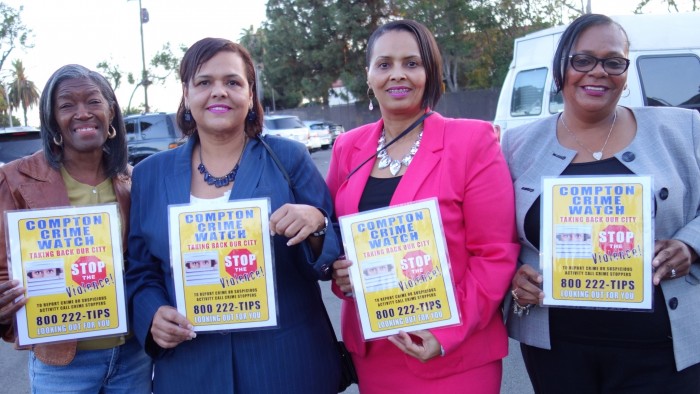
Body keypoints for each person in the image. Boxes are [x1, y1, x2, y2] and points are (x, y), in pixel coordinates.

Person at [125, 37, 342, 393]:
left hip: (285, 366)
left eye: (232, 82)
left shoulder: (289, 158)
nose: (219, 92)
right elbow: (140, 267)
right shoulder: (150, 174)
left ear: (250, 93)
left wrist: (315, 225)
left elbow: (329, 255)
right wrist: (152, 313)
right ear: (186, 93)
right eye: (204, 82)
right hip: (192, 370)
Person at [502, 13, 700, 393]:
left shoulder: (681, 128)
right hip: (558, 350)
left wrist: (689, 243)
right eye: (583, 60)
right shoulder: (517, 145)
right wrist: (514, 276)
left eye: (613, 62)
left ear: (626, 73)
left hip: (662, 348)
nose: (598, 72)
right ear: (562, 68)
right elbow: (494, 234)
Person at [326, 19, 520, 393]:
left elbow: (494, 254)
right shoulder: (347, 148)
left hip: (455, 353)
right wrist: (341, 275)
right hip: (376, 352)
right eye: (384, 64)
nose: (397, 75)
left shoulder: (471, 141)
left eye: (411, 63)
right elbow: (336, 238)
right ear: (368, 76)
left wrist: (447, 332)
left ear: (430, 72)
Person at [0, 64, 152, 393]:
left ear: (111, 111)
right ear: (53, 119)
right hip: (63, 364)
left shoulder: (133, 179)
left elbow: (148, 262)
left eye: (93, 102)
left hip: (133, 355)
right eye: (67, 105)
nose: (83, 113)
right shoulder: (15, 179)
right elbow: (2, 269)